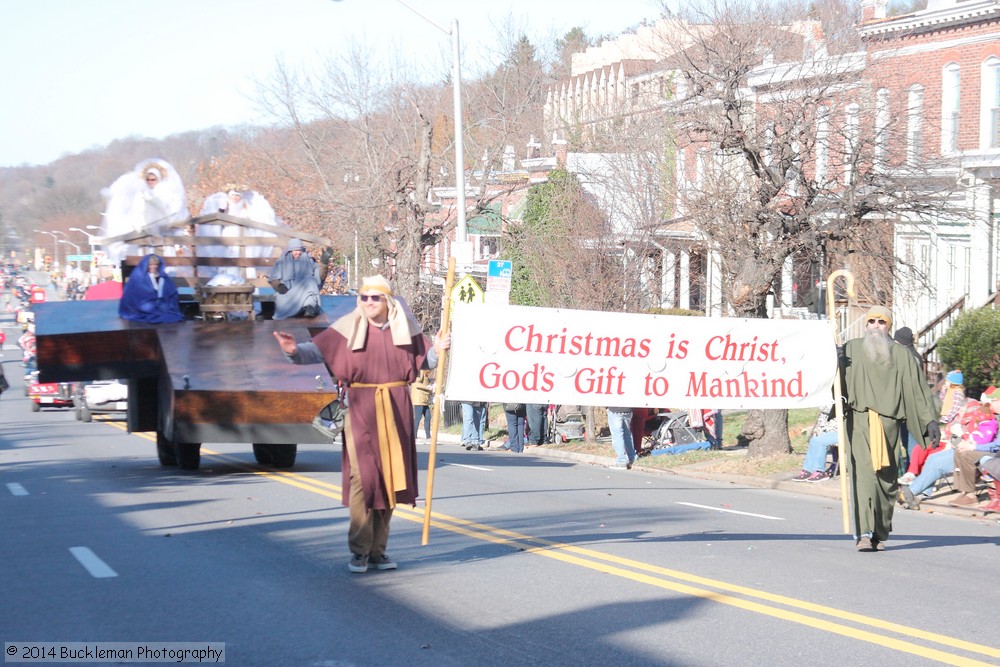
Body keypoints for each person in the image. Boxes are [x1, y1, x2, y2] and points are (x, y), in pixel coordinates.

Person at [272, 275, 448, 573]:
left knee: (391, 477)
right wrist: (292, 350)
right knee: (362, 477)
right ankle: (359, 550)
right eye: (364, 297)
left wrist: (438, 347)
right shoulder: (347, 328)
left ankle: (379, 551)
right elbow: (312, 352)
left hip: (396, 407)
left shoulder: (405, 330)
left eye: (374, 297)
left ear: (387, 301)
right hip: (361, 407)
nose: (368, 302)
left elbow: (425, 361)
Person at [840, 305, 939, 552]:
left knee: (886, 480)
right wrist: (838, 362)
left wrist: (930, 420)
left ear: (888, 326)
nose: (875, 325)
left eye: (881, 321)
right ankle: (863, 533)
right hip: (859, 420)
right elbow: (835, 382)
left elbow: (917, 390)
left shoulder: (902, 355)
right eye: (871, 321)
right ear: (866, 324)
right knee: (863, 476)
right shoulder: (851, 348)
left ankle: (880, 532)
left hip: (889, 424)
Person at [100, 160, 188, 265]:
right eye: (148, 179)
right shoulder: (140, 194)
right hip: (144, 238)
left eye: (153, 179)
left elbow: (172, 212)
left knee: (165, 261)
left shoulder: (166, 192)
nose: (150, 182)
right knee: (146, 259)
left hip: (163, 237)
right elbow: (135, 213)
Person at [898, 369, 966, 484]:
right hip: (947, 429)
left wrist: (943, 420)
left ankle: (920, 478)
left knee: (927, 451)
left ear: (953, 382)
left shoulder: (958, 393)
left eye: (948, 381)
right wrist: (944, 391)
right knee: (920, 448)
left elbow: (954, 409)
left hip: (952, 433)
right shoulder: (950, 392)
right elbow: (942, 401)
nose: (945, 382)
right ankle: (913, 474)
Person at [117, 254, 184, 324]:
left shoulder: (163, 276)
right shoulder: (138, 276)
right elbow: (134, 295)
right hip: (142, 303)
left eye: (156, 264)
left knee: (167, 310)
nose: (153, 267)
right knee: (149, 308)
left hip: (160, 303)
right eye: (150, 265)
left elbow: (171, 291)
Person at [269, 239, 323, 320]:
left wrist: (324, 263)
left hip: (304, 293)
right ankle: (296, 309)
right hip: (289, 294)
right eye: (295, 250)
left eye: (299, 250)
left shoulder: (308, 260)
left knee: (310, 281)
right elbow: (273, 278)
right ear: (290, 250)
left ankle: (309, 309)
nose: (298, 252)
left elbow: (319, 276)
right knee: (281, 302)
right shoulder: (281, 262)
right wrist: (279, 286)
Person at [792, 399, 839, 482]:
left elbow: (828, 408)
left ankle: (821, 471)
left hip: (840, 432)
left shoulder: (839, 400)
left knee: (820, 442)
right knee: (814, 440)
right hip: (828, 431)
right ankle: (808, 470)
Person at [411, 369, 433, 441]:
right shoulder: (421, 372)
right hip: (419, 399)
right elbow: (415, 383)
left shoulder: (425, 373)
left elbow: (426, 382)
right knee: (418, 417)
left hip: (424, 399)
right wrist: (427, 387)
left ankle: (428, 436)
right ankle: (414, 436)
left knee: (428, 416)